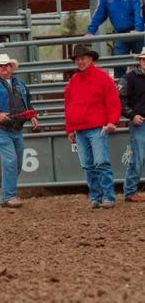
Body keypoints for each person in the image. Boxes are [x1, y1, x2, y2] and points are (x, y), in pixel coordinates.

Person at [0, 53, 38, 208]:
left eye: (6, 65)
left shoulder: (20, 84)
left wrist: (32, 115)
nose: (4, 68)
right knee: (11, 161)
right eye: (1, 66)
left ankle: (6, 194)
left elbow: (27, 102)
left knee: (16, 163)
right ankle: (8, 196)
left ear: (11, 67)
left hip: (16, 128)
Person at [64, 44, 121, 209]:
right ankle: (96, 197)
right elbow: (68, 106)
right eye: (77, 59)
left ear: (90, 59)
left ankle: (108, 197)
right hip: (81, 129)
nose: (80, 62)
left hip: (97, 127)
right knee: (88, 164)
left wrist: (112, 121)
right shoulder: (74, 81)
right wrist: (70, 129)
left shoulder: (102, 78)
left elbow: (113, 101)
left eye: (83, 58)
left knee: (100, 162)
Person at [86, 0, 144, 79]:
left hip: (137, 33)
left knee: (142, 62)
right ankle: (120, 91)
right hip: (120, 34)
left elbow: (139, 10)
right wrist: (90, 31)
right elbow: (99, 14)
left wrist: (138, 30)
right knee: (119, 64)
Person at [118, 47, 145, 202]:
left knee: (138, 157)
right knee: (138, 157)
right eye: (143, 59)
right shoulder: (129, 78)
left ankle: (130, 191)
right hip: (139, 122)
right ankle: (130, 191)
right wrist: (132, 115)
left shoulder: (128, 78)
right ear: (139, 61)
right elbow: (121, 100)